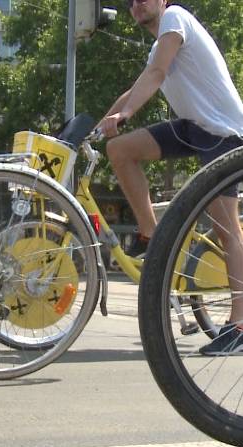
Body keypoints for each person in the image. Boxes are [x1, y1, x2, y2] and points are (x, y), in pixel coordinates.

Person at [98, 0, 243, 355]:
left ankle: (240, 326)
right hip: (193, 129)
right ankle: (156, 237)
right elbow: (134, 89)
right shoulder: (158, 43)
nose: (137, 5)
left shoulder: (176, 18)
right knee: (120, 151)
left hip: (224, 134)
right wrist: (102, 125)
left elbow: (157, 75)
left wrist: (127, 114)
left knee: (227, 231)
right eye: (131, 2)